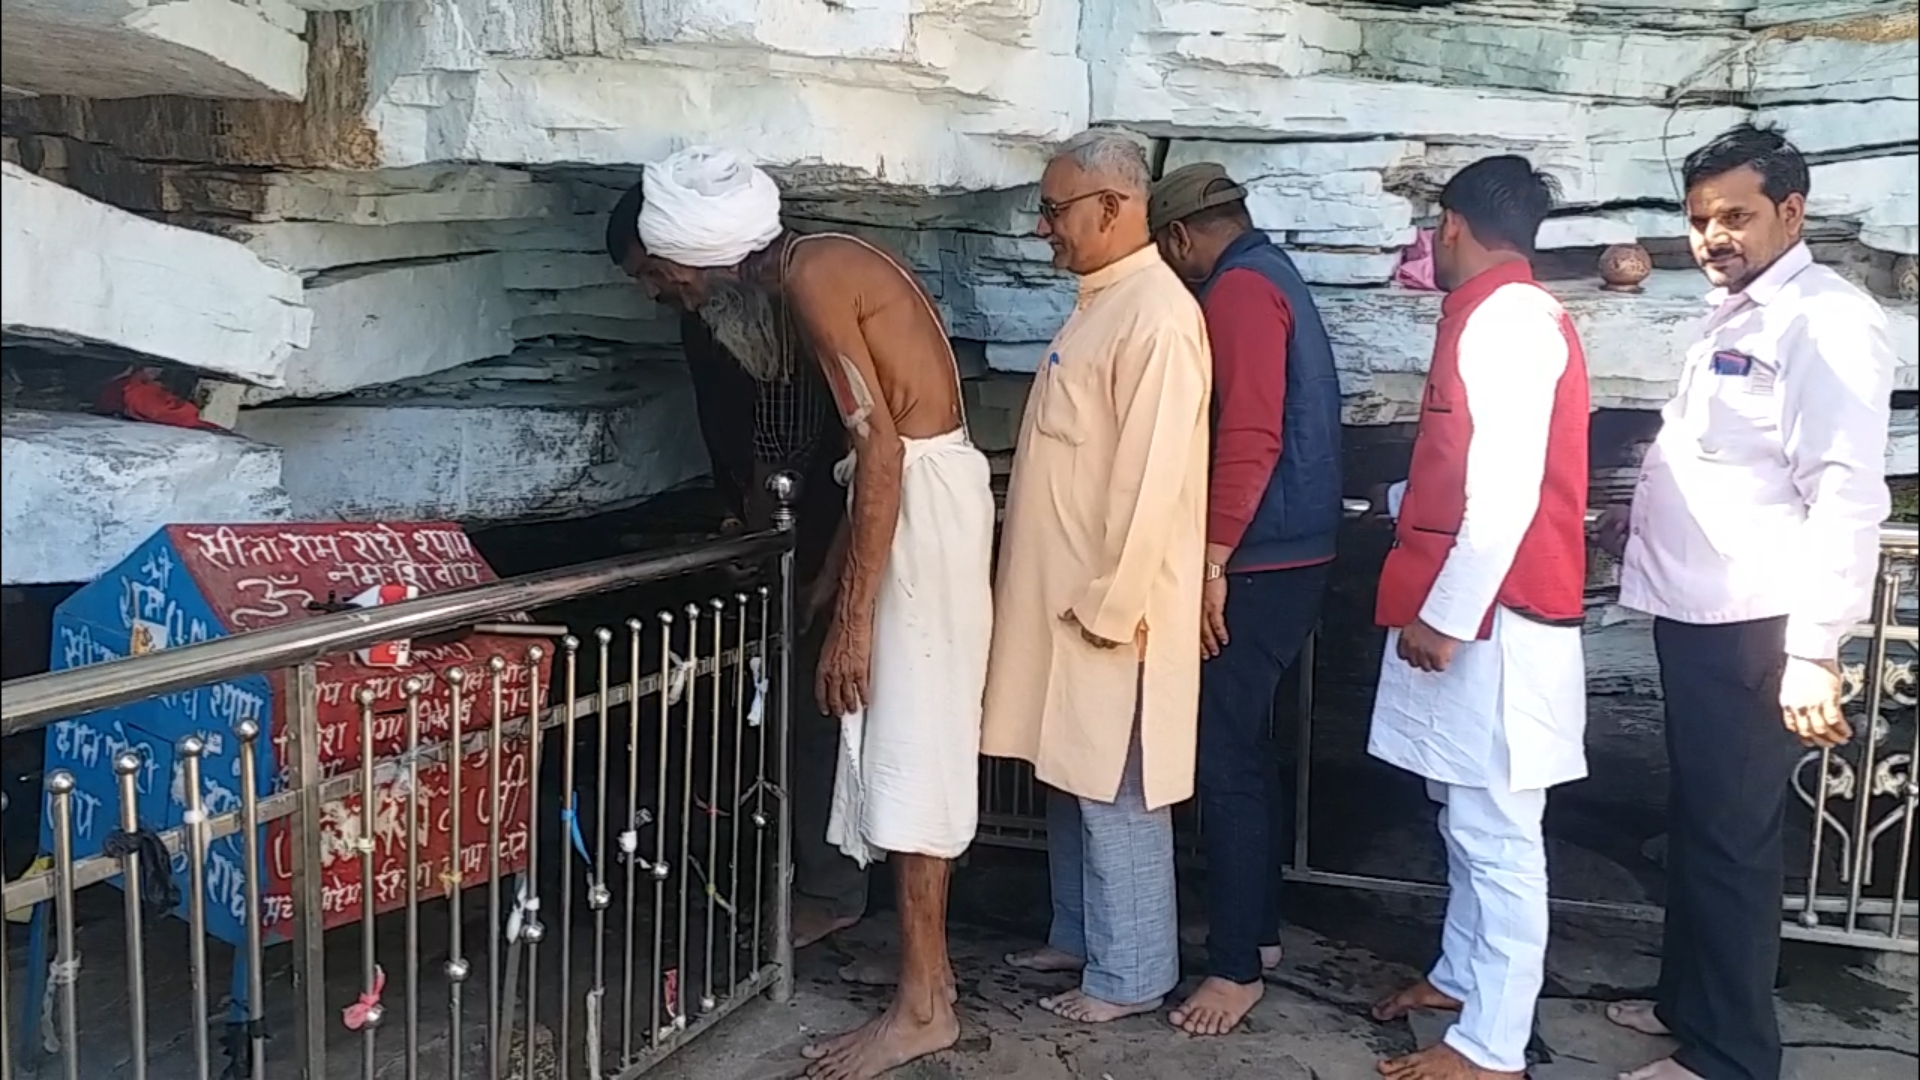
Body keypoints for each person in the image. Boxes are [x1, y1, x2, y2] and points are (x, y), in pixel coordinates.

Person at [638, 145, 995, 1079]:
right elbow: (874, 454)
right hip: (921, 500)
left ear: (705, 260)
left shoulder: (810, 279)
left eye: (671, 275)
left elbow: (881, 452)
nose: (672, 293)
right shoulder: (813, 263)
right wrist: (835, 577)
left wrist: (851, 622)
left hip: (926, 507)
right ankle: (935, 991)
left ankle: (921, 1007)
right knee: (902, 748)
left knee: (914, 755)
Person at [1600, 124, 1894, 1080]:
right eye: (1698, 220)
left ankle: (1729, 1055)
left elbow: (1847, 489)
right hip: (1699, 611)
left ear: (1791, 213)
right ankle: (1688, 1002)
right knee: (1700, 820)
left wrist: (1816, 649)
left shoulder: (1824, 320)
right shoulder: (1739, 312)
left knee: (1733, 839)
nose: (1712, 236)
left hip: (1759, 623)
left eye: (1735, 216)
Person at [1364, 155, 1591, 1080]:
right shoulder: (1505, 316)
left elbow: (1503, 496)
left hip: (1496, 621)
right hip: (1485, 612)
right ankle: (1463, 978)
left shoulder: (1507, 323)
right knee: (1465, 815)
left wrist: (1446, 614)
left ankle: (1493, 1046)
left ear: (1452, 223)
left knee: (1498, 830)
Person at [982, 130, 1213, 1024]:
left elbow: (1152, 479)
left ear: (1114, 208)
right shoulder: (1101, 304)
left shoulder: (1156, 315)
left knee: (1116, 794)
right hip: (1065, 606)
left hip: (1112, 610)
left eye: (1054, 210)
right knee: (1069, 776)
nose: (1044, 228)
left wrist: (1110, 607)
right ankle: (1078, 936)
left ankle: (1132, 974)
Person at [607, 182, 869, 950]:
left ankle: (835, 884)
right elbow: (735, 438)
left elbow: (834, 435)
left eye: (656, 273)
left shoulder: (791, 299)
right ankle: (808, 867)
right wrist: (739, 521)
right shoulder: (708, 322)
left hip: (833, 523)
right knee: (786, 709)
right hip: (774, 530)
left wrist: (817, 562)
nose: (658, 293)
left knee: (820, 706)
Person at [1146, 162, 1345, 1036]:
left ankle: (1232, 969)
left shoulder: (1236, 290)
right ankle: (1254, 936)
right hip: (1292, 549)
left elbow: (1251, 429)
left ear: (1181, 237)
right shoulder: (1278, 276)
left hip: (1261, 559)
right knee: (1245, 751)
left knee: (1221, 756)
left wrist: (1213, 559)